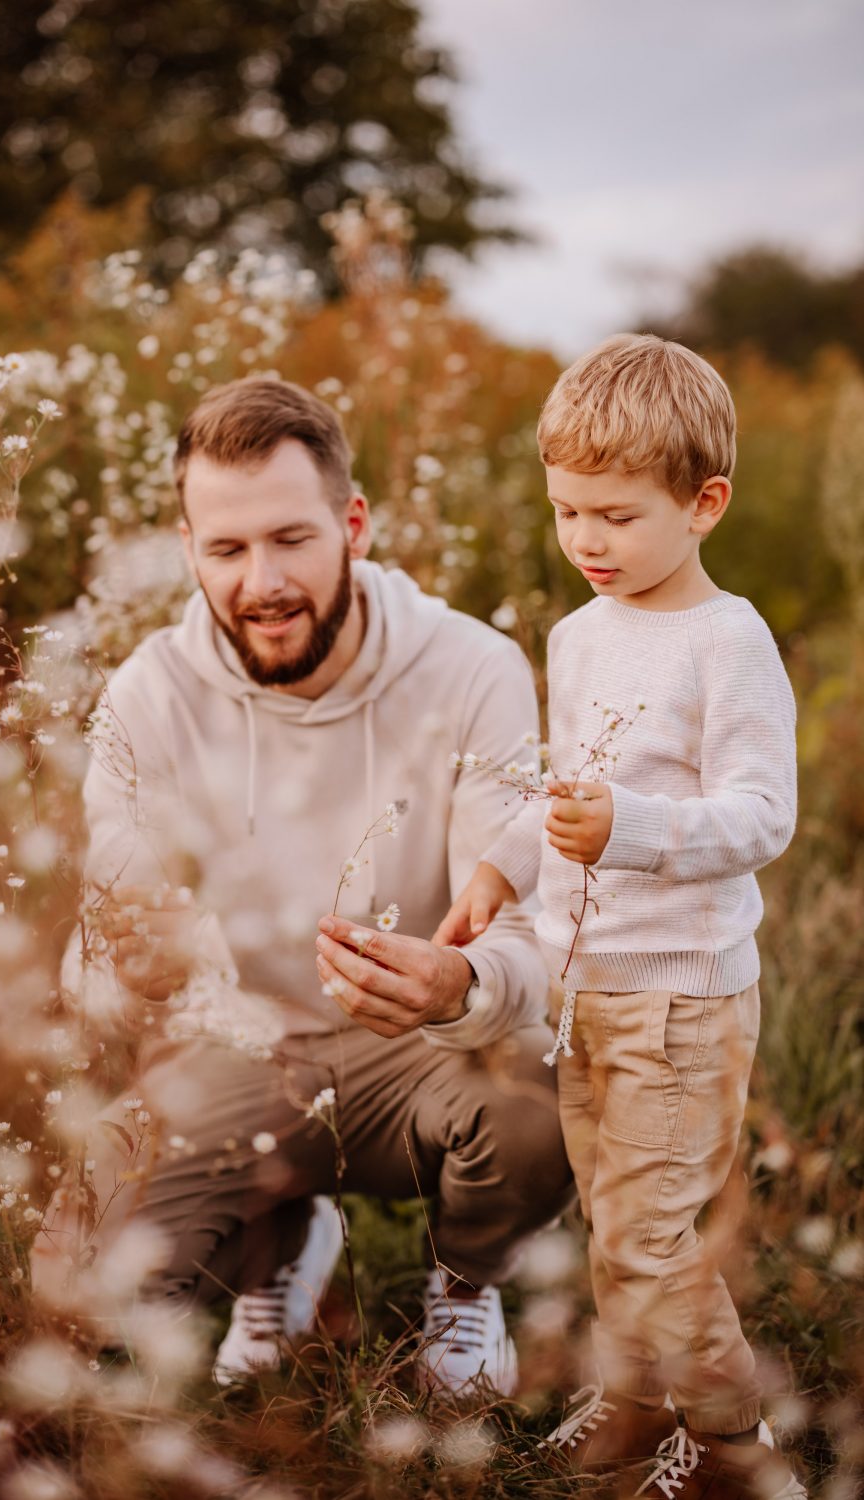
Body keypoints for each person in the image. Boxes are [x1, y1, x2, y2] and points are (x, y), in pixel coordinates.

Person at [34, 377, 571, 1394]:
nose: (262, 582)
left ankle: (465, 1280)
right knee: (84, 1303)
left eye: (290, 540)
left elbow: (530, 926)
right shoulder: (147, 696)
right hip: (237, 1050)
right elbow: (97, 953)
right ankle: (274, 1241)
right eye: (226, 550)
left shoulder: (471, 669)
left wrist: (462, 985)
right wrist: (135, 977)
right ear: (189, 549)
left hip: (427, 1053)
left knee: (540, 1090)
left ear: (352, 525)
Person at [437, 336, 805, 1496]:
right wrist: (503, 866)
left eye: (613, 516)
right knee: (615, 1226)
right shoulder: (580, 633)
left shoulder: (726, 641)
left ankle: (736, 1451)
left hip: (681, 999)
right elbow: (569, 785)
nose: (585, 542)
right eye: (565, 513)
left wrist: (633, 829)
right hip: (584, 991)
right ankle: (642, 1406)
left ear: (704, 504)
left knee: (652, 1241)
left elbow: (761, 816)